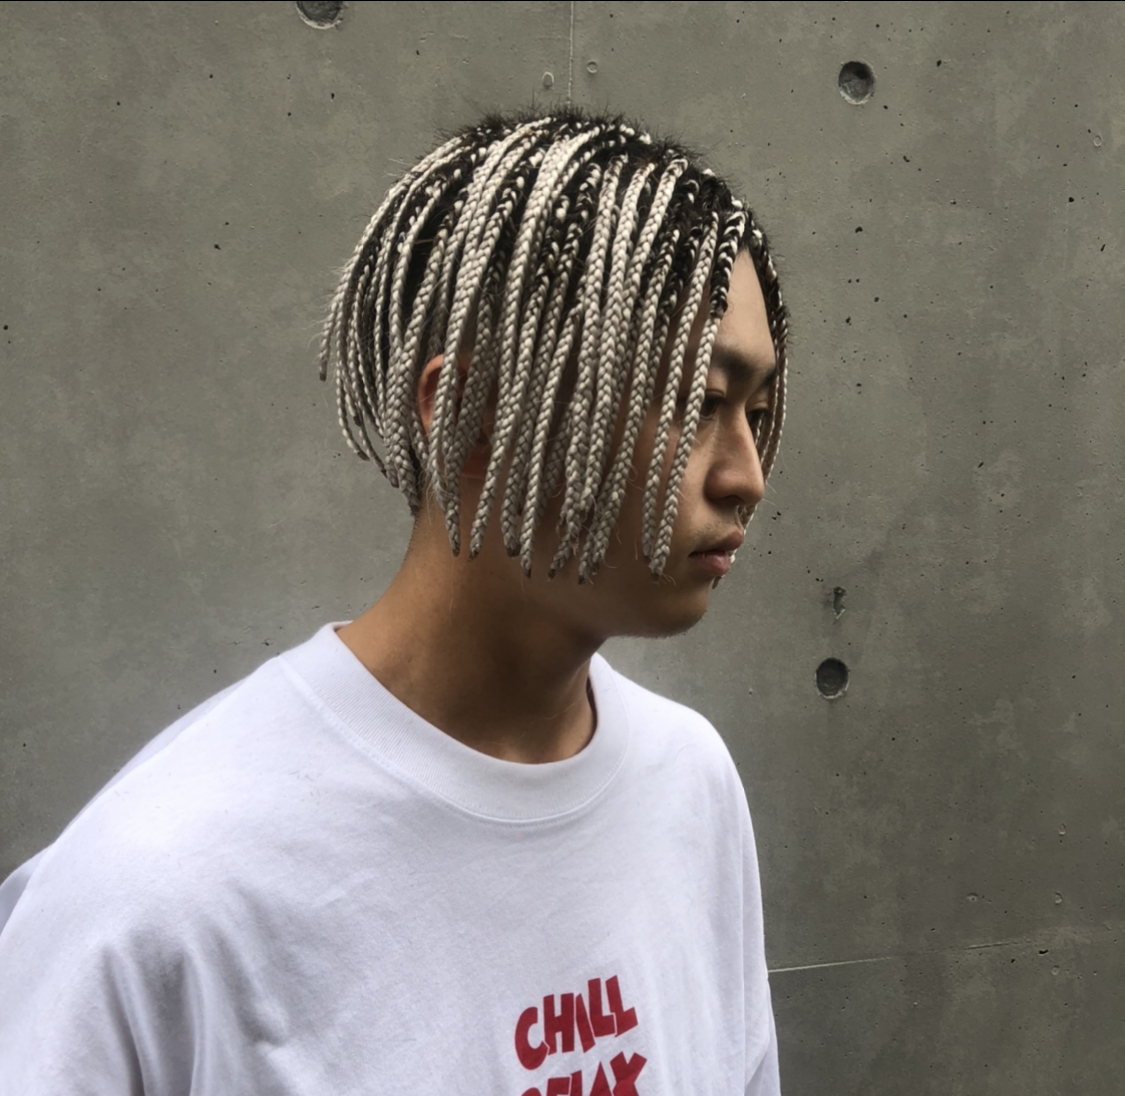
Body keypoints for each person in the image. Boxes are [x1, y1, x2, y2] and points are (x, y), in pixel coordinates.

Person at [0, 107, 788, 1095]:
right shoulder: (159, 890)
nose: (746, 475)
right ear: (471, 411)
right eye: (698, 403)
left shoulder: (689, 785)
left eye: (757, 411)